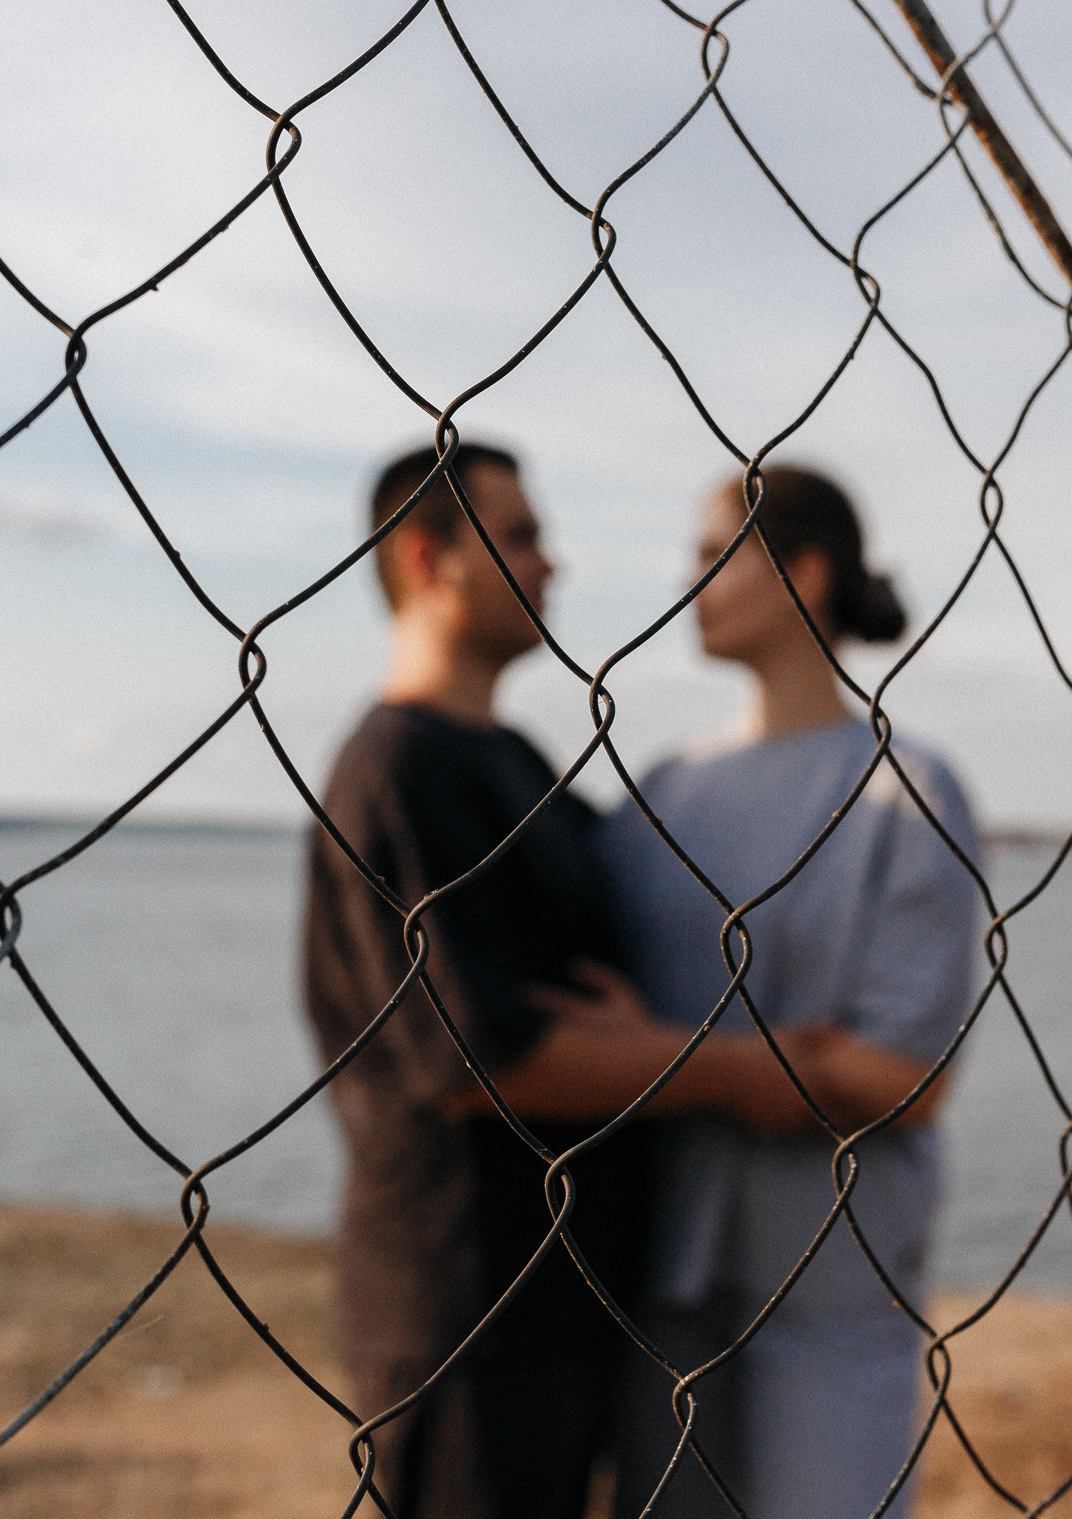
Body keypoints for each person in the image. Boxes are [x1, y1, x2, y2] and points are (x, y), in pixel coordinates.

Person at [301, 439, 830, 1519]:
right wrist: (737, 1071)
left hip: (572, 1306)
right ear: (428, 558)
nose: (554, 566)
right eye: (522, 535)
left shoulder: (517, 764)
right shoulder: (399, 769)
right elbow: (482, 1056)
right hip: (467, 1313)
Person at [604, 465, 984, 1519]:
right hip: (655, 1280)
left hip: (834, 1291)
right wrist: (776, 1065)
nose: (690, 583)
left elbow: (902, 1077)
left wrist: (654, 1055)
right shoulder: (659, 788)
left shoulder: (903, 790)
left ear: (803, 571)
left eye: (710, 552)